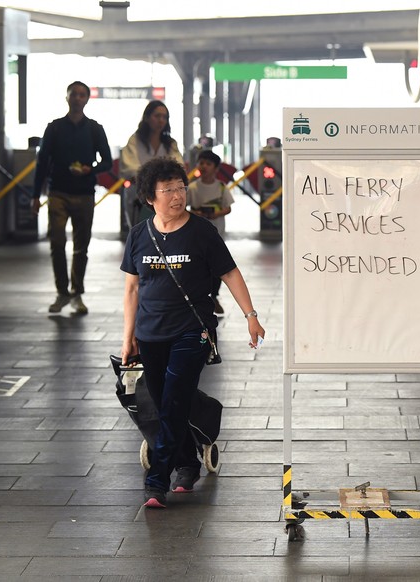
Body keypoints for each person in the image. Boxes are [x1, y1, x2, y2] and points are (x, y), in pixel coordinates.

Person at [120, 157, 264, 509]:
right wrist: (128, 336)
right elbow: (132, 290)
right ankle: (187, 462)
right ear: (150, 197)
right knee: (166, 400)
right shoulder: (139, 235)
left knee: (172, 400)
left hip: (193, 330)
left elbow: (229, 273)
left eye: (180, 188)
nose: (177, 195)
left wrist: (251, 315)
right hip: (151, 332)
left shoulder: (201, 232)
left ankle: (156, 480)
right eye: (167, 190)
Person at [32, 81, 112, 315]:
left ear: (87, 99)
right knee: (57, 242)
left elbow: (106, 161)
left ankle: (77, 293)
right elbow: (42, 162)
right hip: (57, 191)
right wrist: (35, 195)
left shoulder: (95, 129)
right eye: (73, 94)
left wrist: (90, 169)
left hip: (85, 192)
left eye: (81, 95)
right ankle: (61, 292)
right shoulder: (54, 128)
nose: (77, 98)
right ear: (66, 98)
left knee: (81, 246)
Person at [120, 100, 184, 227]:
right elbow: (129, 167)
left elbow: (179, 167)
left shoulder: (170, 144)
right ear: (147, 118)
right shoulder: (135, 141)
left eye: (164, 117)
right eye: (157, 116)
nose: (161, 120)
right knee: (140, 234)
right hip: (138, 197)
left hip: (166, 197)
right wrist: (155, 179)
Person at [186, 149, 234, 315]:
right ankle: (200, 298)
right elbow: (185, 208)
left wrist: (215, 214)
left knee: (217, 268)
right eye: (202, 163)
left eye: (208, 163)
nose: (204, 166)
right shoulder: (192, 187)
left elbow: (228, 208)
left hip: (217, 234)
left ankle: (213, 296)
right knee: (198, 267)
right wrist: (197, 214)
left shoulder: (221, 187)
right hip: (196, 235)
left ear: (216, 168)